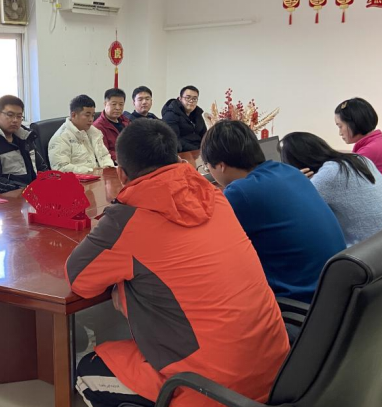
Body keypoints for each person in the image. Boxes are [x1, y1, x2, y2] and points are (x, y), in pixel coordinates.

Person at [67, 119, 289, 407]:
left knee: (87, 368)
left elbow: (79, 280)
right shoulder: (216, 197)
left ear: (121, 174)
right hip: (276, 370)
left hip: (211, 389)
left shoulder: (128, 217)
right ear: (175, 158)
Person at [201, 120, 346, 303]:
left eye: (207, 166)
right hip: (336, 289)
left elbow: (211, 248)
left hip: (300, 301)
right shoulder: (289, 171)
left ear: (221, 166)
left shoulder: (240, 192)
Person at [280, 132, 382, 247]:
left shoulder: (329, 174)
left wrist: (295, 181)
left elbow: (292, 212)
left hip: (367, 250)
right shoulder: (360, 159)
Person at [334, 97, 382, 197]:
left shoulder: (370, 150)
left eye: (340, 126)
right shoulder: (379, 141)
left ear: (353, 123)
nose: (340, 133)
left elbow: (337, 178)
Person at [0, 95, 48, 194]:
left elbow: (42, 167)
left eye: (19, 116)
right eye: (10, 115)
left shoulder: (25, 138)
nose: (15, 120)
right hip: (6, 197)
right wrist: (25, 190)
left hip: (32, 193)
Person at [48, 95, 114, 174]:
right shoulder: (61, 138)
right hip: (80, 180)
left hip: (101, 177)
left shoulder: (94, 132)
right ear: (73, 115)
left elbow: (104, 155)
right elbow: (60, 168)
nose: (91, 119)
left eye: (93, 115)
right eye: (87, 115)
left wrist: (108, 167)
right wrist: (91, 171)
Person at [161, 85, 207, 152]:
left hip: (199, 151)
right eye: (188, 98)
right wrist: (196, 149)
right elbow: (173, 140)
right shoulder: (170, 115)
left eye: (194, 99)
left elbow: (204, 135)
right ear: (180, 99)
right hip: (181, 152)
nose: (191, 101)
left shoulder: (197, 113)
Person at [93, 88, 131, 161]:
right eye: (114, 104)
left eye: (121, 104)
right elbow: (104, 152)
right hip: (115, 162)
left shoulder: (126, 121)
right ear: (105, 104)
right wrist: (126, 157)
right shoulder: (98, 127)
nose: (118, 108)